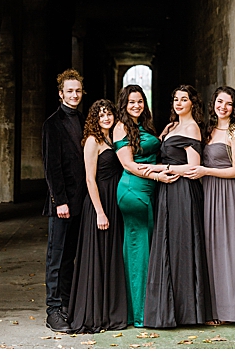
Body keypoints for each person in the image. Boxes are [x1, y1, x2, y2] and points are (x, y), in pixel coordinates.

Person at [143, 85, 214, 327]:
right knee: (167, 244)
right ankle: (166, 309)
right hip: (167, 190)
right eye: (176, 99)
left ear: (193, 103)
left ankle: (186, 311)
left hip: (183, 191)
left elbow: (193, 168)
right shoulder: (171, 126)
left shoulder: (192, 128)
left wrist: (163, 168)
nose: (179, 102)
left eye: (184, 99)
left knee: (182, 244)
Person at [189, 86, 235, 324]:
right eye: (219, 101)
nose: (223, 107)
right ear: (213, 103)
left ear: (234, 107)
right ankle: (214, 310)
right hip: (207, 193)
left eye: (228, 103)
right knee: (210, 248)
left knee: (228, 247)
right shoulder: (208, 130)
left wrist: (206, 171)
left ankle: (232, 309)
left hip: (227, 193)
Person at [65, 99, 132, 332]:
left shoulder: (114, 138)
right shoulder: (93, 141)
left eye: (109, 114)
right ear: (95, 118)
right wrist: (100, 212)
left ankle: (113, 311)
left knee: (113, 256)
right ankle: (96, 313)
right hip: (100, 202)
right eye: (101, 115)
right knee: (99, 256)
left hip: (116, 199)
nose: (106, 118)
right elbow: (89, 179)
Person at [112, 84, 175, 327]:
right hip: (133, 189)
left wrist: (162, 136)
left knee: (144, 247)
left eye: (140, 101)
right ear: (124, 105)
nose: (136, 105)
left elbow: (145, 150)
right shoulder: (120, 127)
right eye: (131, 102)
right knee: (139, 250)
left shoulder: (141, 127)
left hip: (146, 189)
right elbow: (128, 164)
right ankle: (138, 314)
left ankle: (143, 308)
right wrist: (157, 176)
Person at [42, 69, 87, 332]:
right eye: (69, 91)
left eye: (78, 91)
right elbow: (52, 167)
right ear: (61, 94)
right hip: (61, 203)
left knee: (71, 256)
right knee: (56, 257)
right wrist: (60, 201)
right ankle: (53, 310)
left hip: (80, 203)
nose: (74, 95)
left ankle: (68, 305)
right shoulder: (52, 123)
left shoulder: (82, 120)